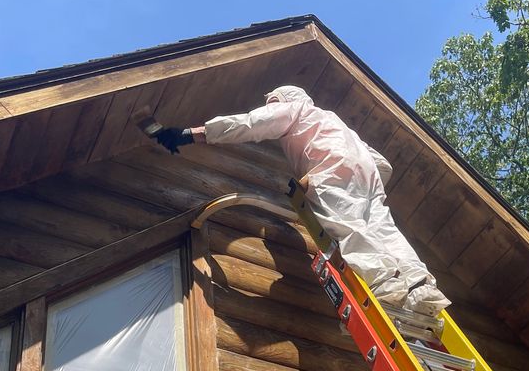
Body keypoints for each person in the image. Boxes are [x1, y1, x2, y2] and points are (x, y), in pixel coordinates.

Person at [152, 86, 450, 315]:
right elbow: (383, 165)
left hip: (332, 170)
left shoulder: (294, 110)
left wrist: (190, 135)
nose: (270, 106)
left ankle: (386, 284)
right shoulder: (335, 122)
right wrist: (362, 187)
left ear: (283, 99)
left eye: (272, 102)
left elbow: (252, 123)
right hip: (368, 178)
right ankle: (421, 287)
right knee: (384, 230)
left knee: (347, 227)